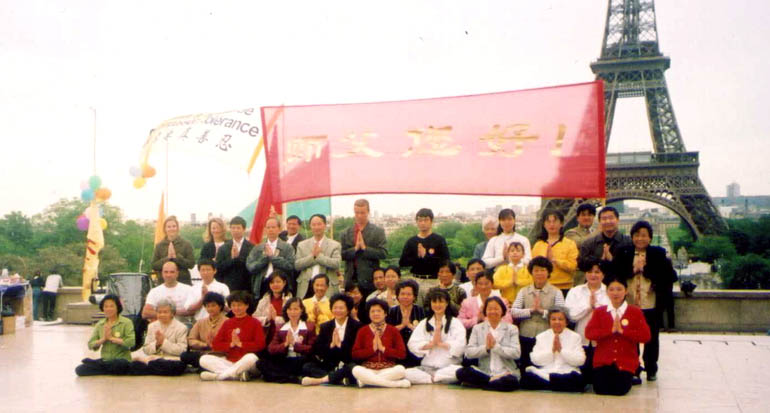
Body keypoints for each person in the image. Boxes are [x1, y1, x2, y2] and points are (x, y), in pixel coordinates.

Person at [613, 220, 677, 382]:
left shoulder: (658, 253)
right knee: (629, 337)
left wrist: (645, 270)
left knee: (651, 337)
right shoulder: (623, 252)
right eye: (636, 235)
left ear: (650, 238)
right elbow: (615, 274)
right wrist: (633, 270)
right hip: (629, 303)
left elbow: (669, 276)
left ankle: (651, 368)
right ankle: (633, 367)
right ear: (632, 237)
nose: (640, 239)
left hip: (651, 302)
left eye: (644, 235)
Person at [585, 277, 651, 396]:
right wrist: (609, 331)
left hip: (625, 362)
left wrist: (623, 331)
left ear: (626, 291)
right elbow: (589, 333)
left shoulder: (635, 312)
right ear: (607, 292)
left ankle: (632, 376)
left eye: (619, 289)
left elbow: (646, 336)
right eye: (611, 289)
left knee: (619, 390)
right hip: (603, 361)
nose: (615, 293)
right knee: (600, 390)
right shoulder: (600, 311)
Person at [456, 296, 521, 391]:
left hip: (506, 372)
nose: (493, 311)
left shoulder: (512, 329)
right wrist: (486, 348)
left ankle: (485, 384)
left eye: (496, 309)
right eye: (489, 309)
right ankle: (491, 381)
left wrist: (496, 347)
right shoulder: (477, 328)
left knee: (511, 381)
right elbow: (469, 352)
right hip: (485, 372)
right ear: (485, 311)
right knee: (461, 372)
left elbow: (516, 353)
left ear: (502, 311)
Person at [512, 256, 566, 369]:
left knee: (543, 367)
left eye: (543, 270)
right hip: (525, 335)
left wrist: (542, 311)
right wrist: (530, 310)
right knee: (526, 368)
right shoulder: (523, 291)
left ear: (548, 272)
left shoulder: (557, 292)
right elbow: (514, 312)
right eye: (536, 270)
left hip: (547, 336)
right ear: (531, 272)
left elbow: (561, 315)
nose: (539, 273)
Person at [200, 291, 266, 381]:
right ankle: (237, 375)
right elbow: (216, 345)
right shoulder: (227, 323)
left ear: (247, 305)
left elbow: (261, 345)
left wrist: (240, 344)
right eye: (233, 305)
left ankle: (219, 377)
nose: (236, 308)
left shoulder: (255, 322)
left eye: (239, 305)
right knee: (204, 359)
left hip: (247, 363)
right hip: (229, 362)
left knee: (251, 357)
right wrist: (231, 344)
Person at [405, 289, 466, 384]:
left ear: (447, 303)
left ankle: (433, 378)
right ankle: (433, 378)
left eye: (441, 302)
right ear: (430, 303)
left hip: (448, 367)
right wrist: (431, 344)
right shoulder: (424, 323)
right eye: (434, 302)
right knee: (405, 372)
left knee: (459, 372)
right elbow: (412, 344)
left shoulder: (455, 323)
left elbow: (461, 346)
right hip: (427, 368)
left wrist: (441, 344)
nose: (437, 305)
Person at [564, 258, 610, 383]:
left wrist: (597, 307)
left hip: (602, 340)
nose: (593, 275)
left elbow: (610, 316)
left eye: (597, 272)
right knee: (582, 378)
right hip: (581, 338)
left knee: (599, 378)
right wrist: (588, 307)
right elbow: (571, 316)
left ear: (603, 275)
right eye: (590, 272)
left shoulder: (609, 291)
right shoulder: (575, 291)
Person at [301, 294, 363, 386]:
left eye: (341, 308)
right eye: (335, 308)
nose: (338, 311)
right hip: (330, 365)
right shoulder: (325, 326)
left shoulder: (357, 326)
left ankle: (324, 379)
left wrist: (340, 346)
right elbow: (319, 351)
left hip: (348, 364)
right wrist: (331, 345)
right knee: (307, 367)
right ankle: (337, 378)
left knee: (353, 367)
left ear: (348, 309)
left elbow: (357, 353)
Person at [522, 308, 586, 392]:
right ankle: (557, 384)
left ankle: (550, 384)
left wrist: (561, 351)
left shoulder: (575, 337)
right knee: (527, 378)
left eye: (560, 319)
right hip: (546, 372)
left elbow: (580, 360)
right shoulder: (541, 336)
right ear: (549, 322)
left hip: (567, 372)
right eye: (553, 319)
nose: (557, 322)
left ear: (566, 322)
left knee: (578, 379)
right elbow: (535, 360)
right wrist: (551, 351)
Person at [351, 299, 410, 388]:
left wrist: (383, 349)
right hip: (368, 370)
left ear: (385, 313)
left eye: (379, 311)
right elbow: (355, 354)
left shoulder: (393, 330)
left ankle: (366, 382)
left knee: (401, 370)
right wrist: (372, 349)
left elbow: (402, 354)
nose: (375, 314)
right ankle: (395, 384)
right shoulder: (363, 331)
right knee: (356, 370)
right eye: (372, 311)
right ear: (369, 314)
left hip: (388, 370)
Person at [75, 294, 136, 376]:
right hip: (105, 360)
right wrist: (103, 339)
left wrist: (112, 338)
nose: (108, 309)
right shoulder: (100, 324)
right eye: (106, 306)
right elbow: (90, 344)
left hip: (121, 361)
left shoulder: (126, 322)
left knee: (119, 364)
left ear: (118, 307)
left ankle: (102, 367)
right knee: (80, 370)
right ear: (102, 308)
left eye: (111, 306)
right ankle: (105, 368)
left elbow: (131, 342)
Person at [398, 208, 450, 303]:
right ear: (416, 222)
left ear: (431, 221)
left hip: (432, 281)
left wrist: (426, 256)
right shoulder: (412, 241)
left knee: (432, 307)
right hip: (415, 280)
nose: (423, 223)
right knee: (416, 309)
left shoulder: (439, 240)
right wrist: (418, 256)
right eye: (420, 220)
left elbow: (445, 261)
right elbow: (402, 262)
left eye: (426, 220)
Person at [260, 297, 316, 383]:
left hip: (302, 360)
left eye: (296, 309)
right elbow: (271, 348)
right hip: (286, 360)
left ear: (301, 311)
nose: (292, 312)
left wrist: (295, 344)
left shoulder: (309, 326)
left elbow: (312, 349)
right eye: (290, 309)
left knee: (308, 367)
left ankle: (283, 377)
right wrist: (285, 344)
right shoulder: (280, 327)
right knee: (261, 363)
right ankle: (292, 379)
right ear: (286, 311)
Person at [340, 199, 388, 297]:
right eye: (357, 212)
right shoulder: (345, 232)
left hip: (370, 281)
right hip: (350, 281)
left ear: (368, 212)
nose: (359, 216)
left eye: (362, 213)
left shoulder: (378, 231)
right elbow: (342, 255)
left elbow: (383, 253)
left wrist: (365, 248)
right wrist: (355, 249)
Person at [295, 213, 342, 299]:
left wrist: (319, 257)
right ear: (310, 226)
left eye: (319, 224)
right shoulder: (302, 245)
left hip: (327, 286)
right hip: (307, 285)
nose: (316, 227)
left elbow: (336, 264)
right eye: (314, 225)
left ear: (325, 225)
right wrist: (312, 256)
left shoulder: (335, 245)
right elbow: (297, 265)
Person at [531, 210, 578, 296]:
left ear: (561, 223)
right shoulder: (538, 245)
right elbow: (532, 268)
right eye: (548, 221)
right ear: (544, 224)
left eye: (555, 221)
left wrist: (555, 260)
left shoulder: (570, 244)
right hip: (542, 288)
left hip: (564, 288)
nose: (551, 224)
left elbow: (573, 267)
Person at [246, 217, 295, 298]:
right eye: (268, 227)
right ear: (265, 230)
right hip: (262, 283)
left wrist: (273, 257)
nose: (270, 230)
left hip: (280, 285)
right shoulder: (258, 248)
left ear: (279, 229)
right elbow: (250, 267)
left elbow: (290, 266)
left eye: (273, 227)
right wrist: (265, 258)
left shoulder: (287, 247)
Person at [180, 292, 227, 369]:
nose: (210, 309)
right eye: (208, 306)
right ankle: (206, 367)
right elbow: (191, 340)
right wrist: (205, 345)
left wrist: (215, 345)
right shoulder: (200, 322)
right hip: (203, 354)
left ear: (220, 306)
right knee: (185, 356)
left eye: (213, 305)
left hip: (220, 355)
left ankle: (206, 368)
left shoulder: (228, 322)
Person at [137, 299, 188, 369]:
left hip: (172, 360)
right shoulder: (151, 326)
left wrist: (163, 342)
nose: (162, 315)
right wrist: (157, 344)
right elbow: (146, 349)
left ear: (172, 313)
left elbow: (182, 351)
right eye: (159, 312)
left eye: (165, 312)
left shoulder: (181, 328)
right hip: (153, 359)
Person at [386, 279, 425, 367]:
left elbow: (424, 333)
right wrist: (402, 325)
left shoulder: (420, 311)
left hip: (415, 350)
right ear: (397, 296)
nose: (405, 297)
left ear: (414, 296)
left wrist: (410, 326)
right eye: (402, 294)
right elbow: (387, 332)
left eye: (409, 294)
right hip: (396, 349)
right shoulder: (391, 311)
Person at [142, 260, 195, 325]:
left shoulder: (188, 290)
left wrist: (170, 313)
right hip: (161, 326)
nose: (168, 275)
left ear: (177, 273)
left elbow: (193, 311)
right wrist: (166, 315)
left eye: (172, 272)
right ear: (162, 273)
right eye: (166, 272)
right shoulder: (154, 292)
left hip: (183, 325)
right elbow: (145, 313)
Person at [579, 206, 631, 271]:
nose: (608, 221)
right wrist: (600, 261)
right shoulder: (588, 244)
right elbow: (582, 266)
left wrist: (612, 260)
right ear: (599, 221)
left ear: (618, 220)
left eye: (611, 218)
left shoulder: (629, 242)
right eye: (604, 219)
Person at [215, 216, 255, 293]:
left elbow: (252, 267)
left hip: (246, 287)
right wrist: (232, 259)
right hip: (228, 287)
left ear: (244, 229)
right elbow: (218, 268)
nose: (235, 230)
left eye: (238, 228)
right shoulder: (223, 248)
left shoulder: (251, 247)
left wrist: (237, 258)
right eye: (233, 228)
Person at [151, 216, 195, 285]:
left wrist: (176, 257)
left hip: (183, 283)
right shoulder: (159, 246)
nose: (171, 229)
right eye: (169, 227)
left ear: (177, 228)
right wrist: (167, 258)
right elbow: (154, 265)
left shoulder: (186, 244)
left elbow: (191, 264)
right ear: (165, 229)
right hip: (164, 284)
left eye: (174, 226)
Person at [253, 271, 294, 340]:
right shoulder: (264, 300)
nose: (275, 285)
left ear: (284, 283)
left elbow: (293, 320)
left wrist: (275, 319)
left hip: (285, 335)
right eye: (272, 282)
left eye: (278, 282)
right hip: (266, 334)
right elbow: (255, 318)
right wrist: (267, 319)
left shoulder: (290, 300)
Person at [565, 203, 596, 286]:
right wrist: (598, 233)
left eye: (589, 215)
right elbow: (582, 243)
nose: (586, 217)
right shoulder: (570, 233)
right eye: (583, 215)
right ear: (577, 218)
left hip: (595, 276)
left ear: (593, 217)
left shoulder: (595, 233)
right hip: (579, 278)